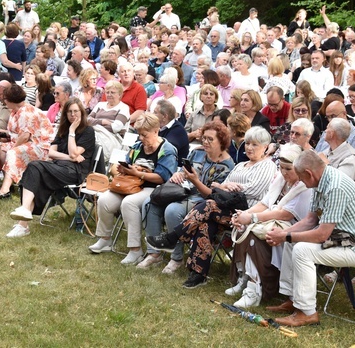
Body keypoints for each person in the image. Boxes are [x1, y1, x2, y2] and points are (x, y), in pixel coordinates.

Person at [147, 127, 277, 288]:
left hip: (247, 213)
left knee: (208, 205)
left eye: (255, 145)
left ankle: (173, 238)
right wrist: (228, 186)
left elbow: (253, 190)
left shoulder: (267, 166)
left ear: (265, 147)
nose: (249, 148)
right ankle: (198, 273)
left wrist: (230, 186)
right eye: (247, 143)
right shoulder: (241, 165)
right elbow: (218, 187)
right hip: (225, 209)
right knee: (205, 223)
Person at [263, 150, 355, 327]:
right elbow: (310, 220)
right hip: (344, 238)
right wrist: (284, 236)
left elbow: (321, 234)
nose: (301, 182)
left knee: (302, 250)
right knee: (291, 242)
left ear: (309, 173)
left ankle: (307, 312)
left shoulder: (335, 187)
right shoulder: (319, 181)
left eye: (302, 178)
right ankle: (293, 300)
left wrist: (285, 235)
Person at [141, 122, 235, 273]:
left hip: (203, 201)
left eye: (210, 139)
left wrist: (195, 181)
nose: (205, 142)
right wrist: (178, 173)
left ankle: (176, 258)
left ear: (222, 141)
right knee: (150, 202)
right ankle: (154, 253)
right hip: (183, 190)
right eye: (203, 138)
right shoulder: (197, 152)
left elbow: (212, 196)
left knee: (172, 210)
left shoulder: (227, 166)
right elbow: (184, 169)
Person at [226, 144, 310, 308]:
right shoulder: (280, 180)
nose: (284, 172)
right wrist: (243, 215)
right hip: (270, 222)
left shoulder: (305, 186)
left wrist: (251, 218)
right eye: (281, 167)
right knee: (243, 228)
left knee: (253, 234)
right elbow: (265, 204)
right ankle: (246, 277)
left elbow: (285, 214)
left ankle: (254, 288)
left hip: (292, 229)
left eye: (288, 169)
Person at [89, 113, 178, 264]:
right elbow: (122, 165)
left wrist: (138, 173)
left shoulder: (167, 149)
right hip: (130, 185)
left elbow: (163, 177)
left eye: (144, 135)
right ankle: (105, 239)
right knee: (104, 199)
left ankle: (135, 250)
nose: (141, 138)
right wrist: (122, 170)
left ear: (156, 131)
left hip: (153, 189)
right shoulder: (137, 146)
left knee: (128, 203)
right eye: (139, 134)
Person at [7, 98, 96, 237]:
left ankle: (24, 215)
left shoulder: (88, 131)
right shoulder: (62, 130)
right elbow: (52, 153)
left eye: (76, 111)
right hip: (59, 167)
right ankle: (22, 224)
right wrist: (69, 157)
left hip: (75, 172)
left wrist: (72, 131)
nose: (73, 115)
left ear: (82, 113)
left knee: (35, 166)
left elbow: (74, 152)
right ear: (65, 114)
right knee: (35, 172)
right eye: (69, 112)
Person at [0, 85, 55, 198]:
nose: (4, 101)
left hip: (40, 146)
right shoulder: (15, 111)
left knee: (12, 152)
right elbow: (15, 133)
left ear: (11, 100)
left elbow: (25, 136)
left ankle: (4, 190)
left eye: (5, 99)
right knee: (1, 148)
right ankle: (11, 184)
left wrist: (13, 148)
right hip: (27, 143)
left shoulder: (26, 112)